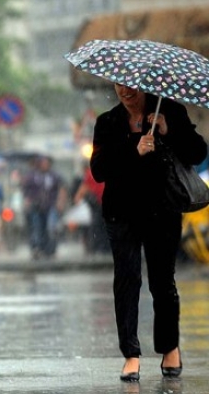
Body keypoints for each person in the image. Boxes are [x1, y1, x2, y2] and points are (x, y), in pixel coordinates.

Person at [90, 83, 207, 382]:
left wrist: (169, 131)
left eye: (132, 87)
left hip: (162, 211)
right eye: (119, 86)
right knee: (127, 282)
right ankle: (131, 355)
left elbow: (197, 152)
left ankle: (170, 348)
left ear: (144, 86)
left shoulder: (168, 112)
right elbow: (99, 169)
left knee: (162, 283)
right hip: (121, 214)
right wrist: (134, 149)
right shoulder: (108, 122)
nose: (125, 92)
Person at [21, 155, 66, 258]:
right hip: (35, 206)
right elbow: (25, 190)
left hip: (51, 205)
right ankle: (37, 248)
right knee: (37, 228)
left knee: (51, 227)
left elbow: (62, 188)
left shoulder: (54, 176)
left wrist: (60, 202)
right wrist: (27, 200)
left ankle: (50, 249)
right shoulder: (32, 176)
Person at [73, 165, 109, 254]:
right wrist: (78, 198)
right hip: (97, 204)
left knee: (103, 226)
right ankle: (99, 247)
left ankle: (103, 247)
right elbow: (85, 186)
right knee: (98, 226)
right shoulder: (91, 173)